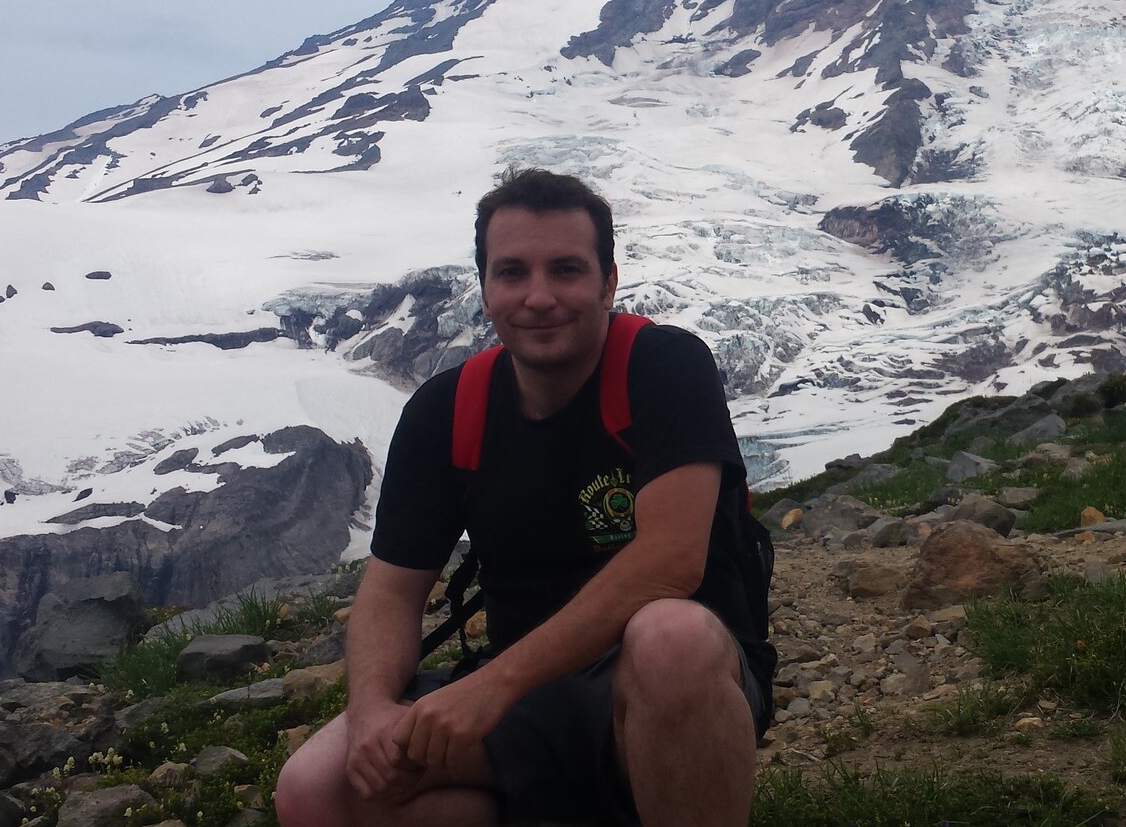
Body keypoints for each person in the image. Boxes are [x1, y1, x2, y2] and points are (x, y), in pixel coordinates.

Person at [274, 168, 774, 827]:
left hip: (667, 684)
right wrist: (371, 712)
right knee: (314, 785)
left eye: (566, 269)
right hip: (523, 696)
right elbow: (392, 592)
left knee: (669, 636)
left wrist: (492, 686)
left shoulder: (662, 366)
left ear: (609, 283)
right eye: (512, 272)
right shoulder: (447, 411)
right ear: (484, 289)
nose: (538, 296)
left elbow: (670, 563)